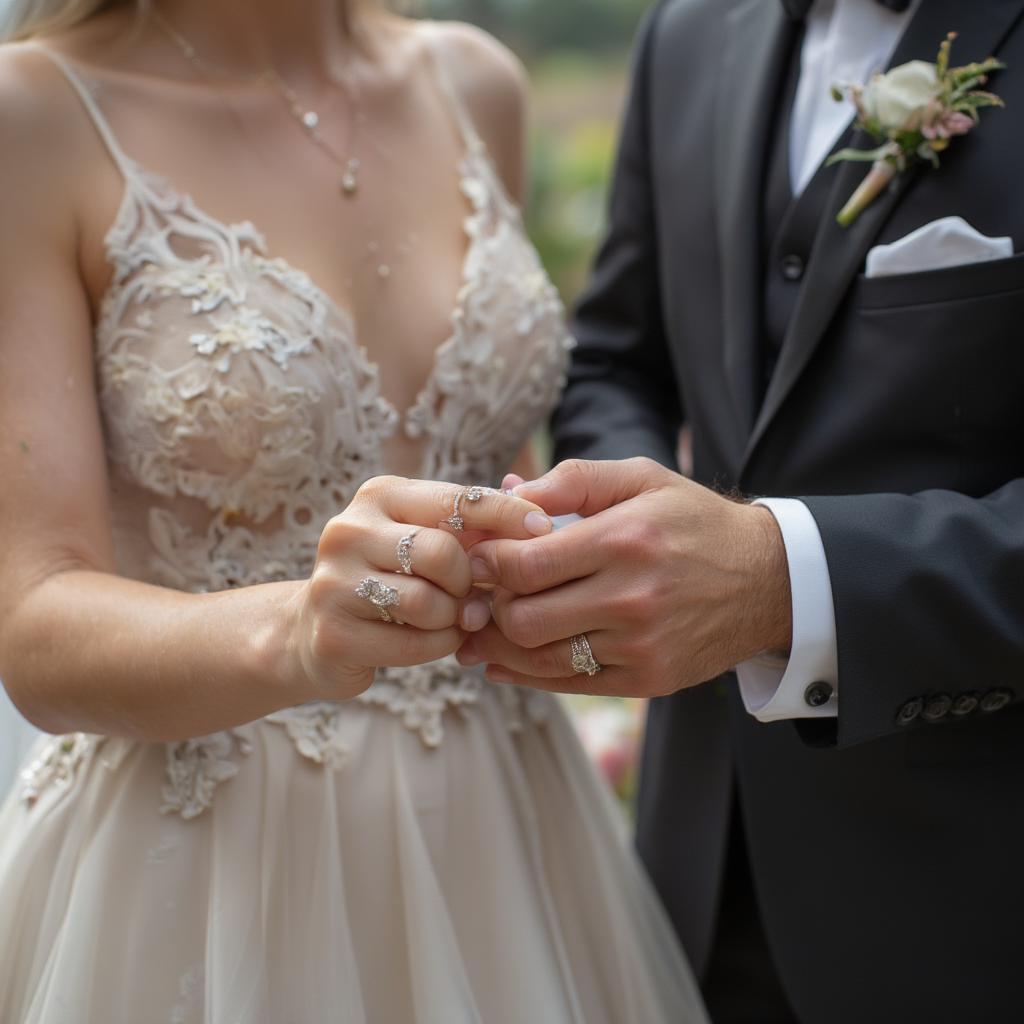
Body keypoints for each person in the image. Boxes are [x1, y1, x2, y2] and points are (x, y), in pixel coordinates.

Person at [0, 2, 708, 1020]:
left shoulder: (475, 84)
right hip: (211, 871)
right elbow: (34, 624)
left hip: (509, 828)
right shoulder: (35, 118)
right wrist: (293, 633)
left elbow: (489, 468)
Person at [458, 0, 1024, 1021]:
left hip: (979, 904)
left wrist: (776, 580)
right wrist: (626, 526)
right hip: (688, 884)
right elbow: (617, 356)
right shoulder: (687, 33)